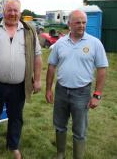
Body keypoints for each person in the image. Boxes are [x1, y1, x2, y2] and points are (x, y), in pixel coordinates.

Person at [0, 0, 42, 159]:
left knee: (16, 116)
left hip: (19, 84)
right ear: (3, 12)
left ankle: (13, 145)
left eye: (16, 10)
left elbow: (37, 56)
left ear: (20, 12)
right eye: (9, 10)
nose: (13, 13)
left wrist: (37, 80)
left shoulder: (29, 30)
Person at [45, 10, 108, 159]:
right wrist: (48, 89)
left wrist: (97, 95)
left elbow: (102, 69)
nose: (81, 25)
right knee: (59, 125)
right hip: (61, 91)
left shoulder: (95, 43)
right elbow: (52, 66)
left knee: (79, 130)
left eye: (84, 22)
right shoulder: (60, 43)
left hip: (82, 93)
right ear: (69, 24)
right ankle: (60, 154)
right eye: (78, 22)